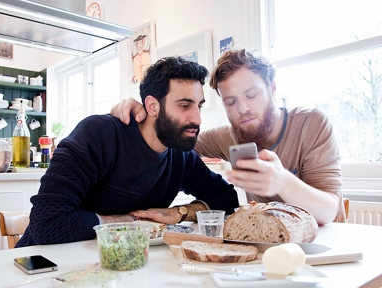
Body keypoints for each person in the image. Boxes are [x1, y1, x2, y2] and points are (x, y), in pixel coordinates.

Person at [16, 56, 239, 247]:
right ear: (152, 106)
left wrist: (179, 213)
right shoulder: (98, 135)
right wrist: (122, 222)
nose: (197, 118)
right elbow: (46, 224)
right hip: (43, 263)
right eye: (184, 105)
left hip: (119, 265)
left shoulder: (180, 155)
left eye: (199, 105)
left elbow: (227, 197)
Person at [110, 49, 345, 225]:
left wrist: (283, 181)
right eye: (230, 102)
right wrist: (145, 115)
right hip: (271, 242)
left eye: (251, 95)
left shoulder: (311, 123)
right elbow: (169, 139)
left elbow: (329, 211)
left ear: (272, 88)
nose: (242, 108)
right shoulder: (227, 137)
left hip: (325, 244)